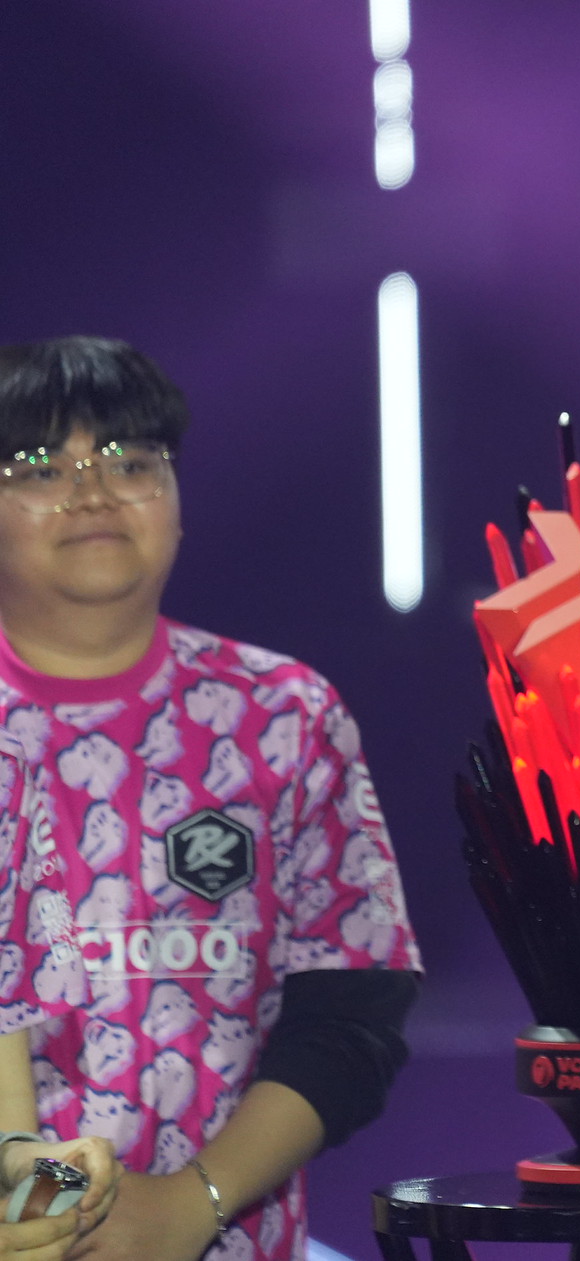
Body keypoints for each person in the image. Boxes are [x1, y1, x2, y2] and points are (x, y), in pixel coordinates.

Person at [0, 338, 421, 1261]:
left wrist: (192, 1205)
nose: (93, 491)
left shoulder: (283, 714)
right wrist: (54, 1211)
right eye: (39, 466)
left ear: (179, 501)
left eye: (132, 462)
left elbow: (351, 1019)